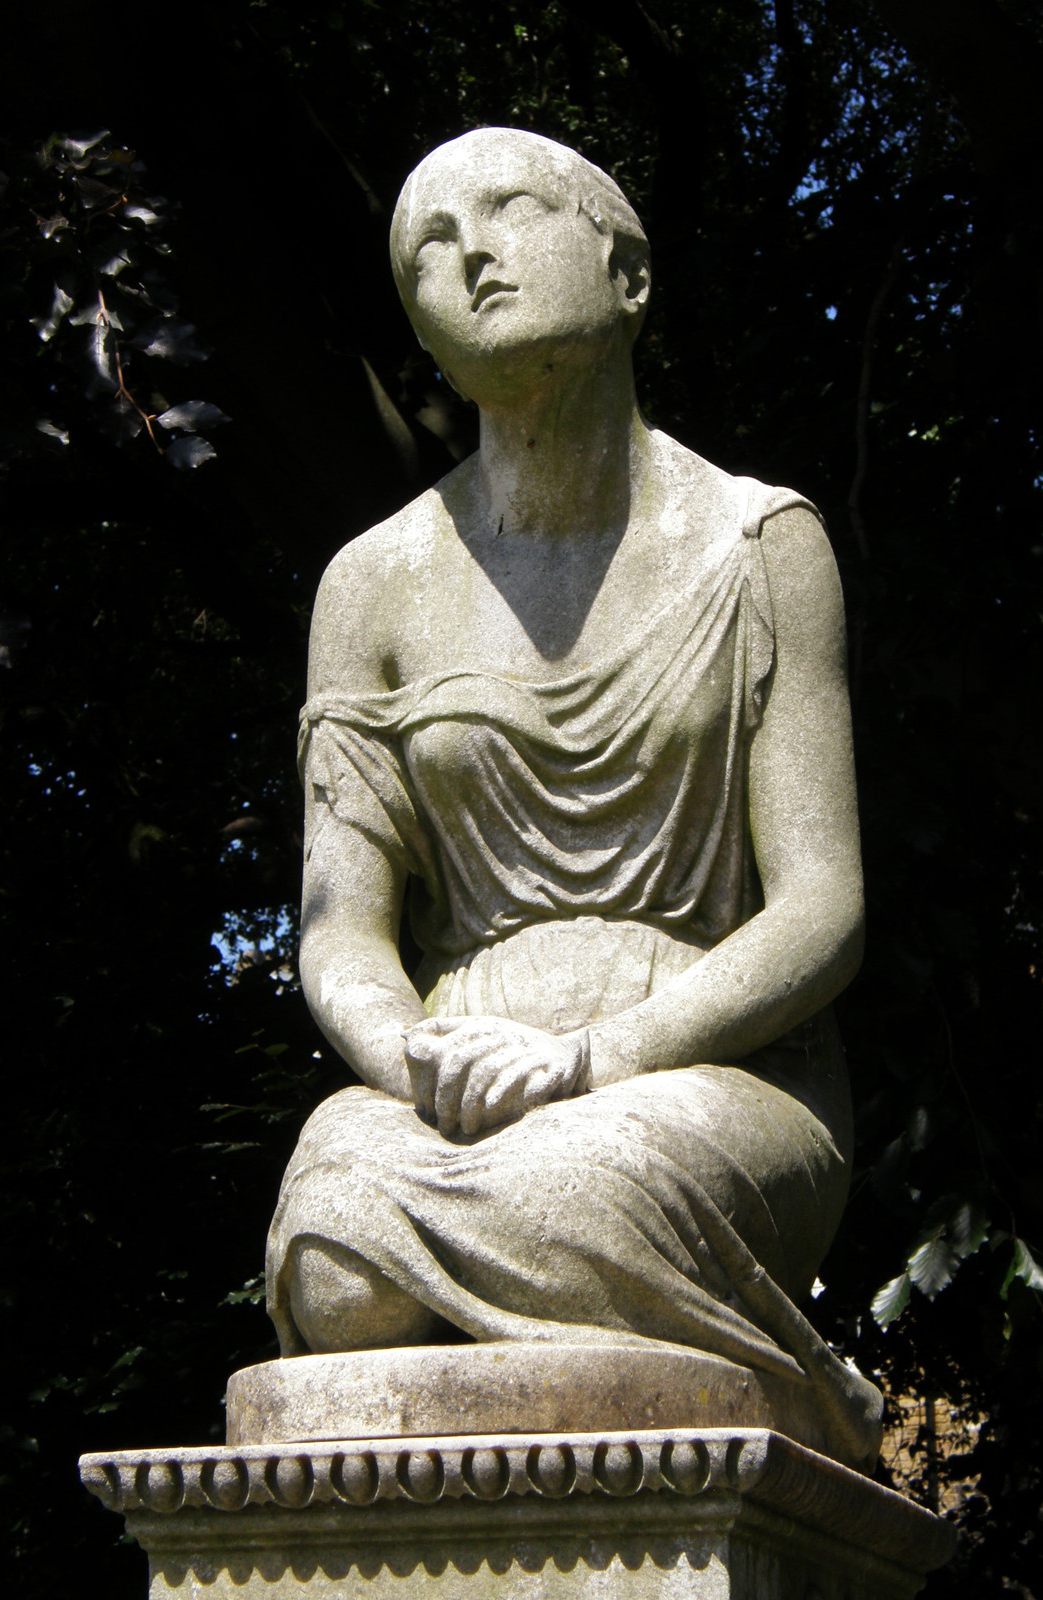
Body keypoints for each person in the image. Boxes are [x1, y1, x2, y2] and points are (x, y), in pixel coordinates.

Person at [266, 127, 880, 1467]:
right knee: (331, 1258)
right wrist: (405, 1057)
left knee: (575, 1188)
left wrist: (599, 1059)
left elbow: (824, 905)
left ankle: (797, 1391)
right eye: (427, 240)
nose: (470, 252)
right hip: (457, 1079)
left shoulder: (759, 546)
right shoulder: (368, 585)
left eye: (508, 210)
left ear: (629, 272)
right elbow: (339, 924)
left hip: (709, 1067)